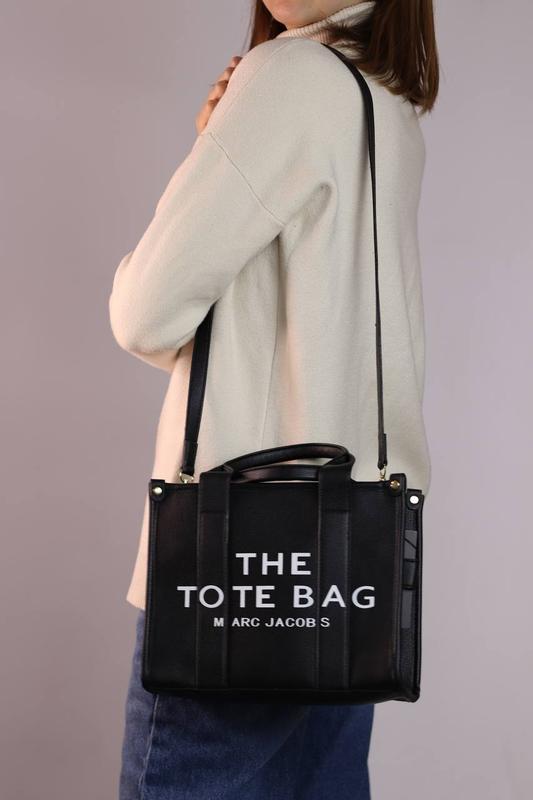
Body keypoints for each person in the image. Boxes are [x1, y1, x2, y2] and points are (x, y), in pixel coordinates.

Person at [109, 1, 438, 797]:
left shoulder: (286, 75)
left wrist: (210, 151)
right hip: (349, 570)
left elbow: (144, 312)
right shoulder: (386, 102)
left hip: (237, 565)